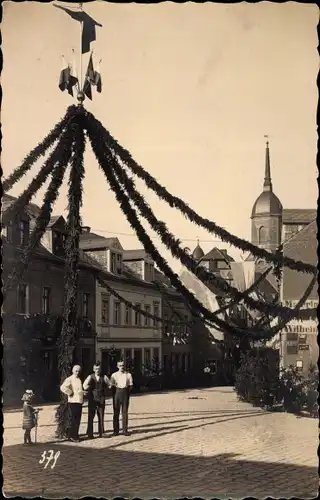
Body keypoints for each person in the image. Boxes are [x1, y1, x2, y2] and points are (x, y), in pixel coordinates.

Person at [83, 362, 110, 439]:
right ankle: (90, 433)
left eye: (98, 369)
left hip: (101, 398)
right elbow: (84, 386)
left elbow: (110, 384)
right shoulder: (90, 377)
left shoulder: (104, 376)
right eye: (96, 369)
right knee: (91, 416)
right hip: (92, 398)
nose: (97, 370)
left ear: (100, 369)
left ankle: (102, 432)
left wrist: (109, 386)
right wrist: (88, 386)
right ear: (93, 369)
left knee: (101, 416)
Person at [60, 365, 84, 442]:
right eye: (76, 371)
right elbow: (63, 387)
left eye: (79, 371)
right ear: (73, 371)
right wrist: (70, 393)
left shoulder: (79, 379)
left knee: (78, 419)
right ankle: (72, 436)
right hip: (73, 401)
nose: (77, 372)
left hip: (79, 401)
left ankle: (76, 434)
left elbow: (79, 390)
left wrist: (83, 393)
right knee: (74, 419)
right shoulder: (70, 379)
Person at [110, 360, 133, 436]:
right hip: (117, 393)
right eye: (120, 366)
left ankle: (125, 430)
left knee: (125, 412)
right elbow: (111, 386)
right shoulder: (114, 375)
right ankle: (115, 431)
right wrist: (115, 392)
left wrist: (126, 392)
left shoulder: (128, 375)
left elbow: (130, 386)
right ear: (117, 366)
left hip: (125, 393)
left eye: (122, 365)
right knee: (116, 412)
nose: (121, 367)